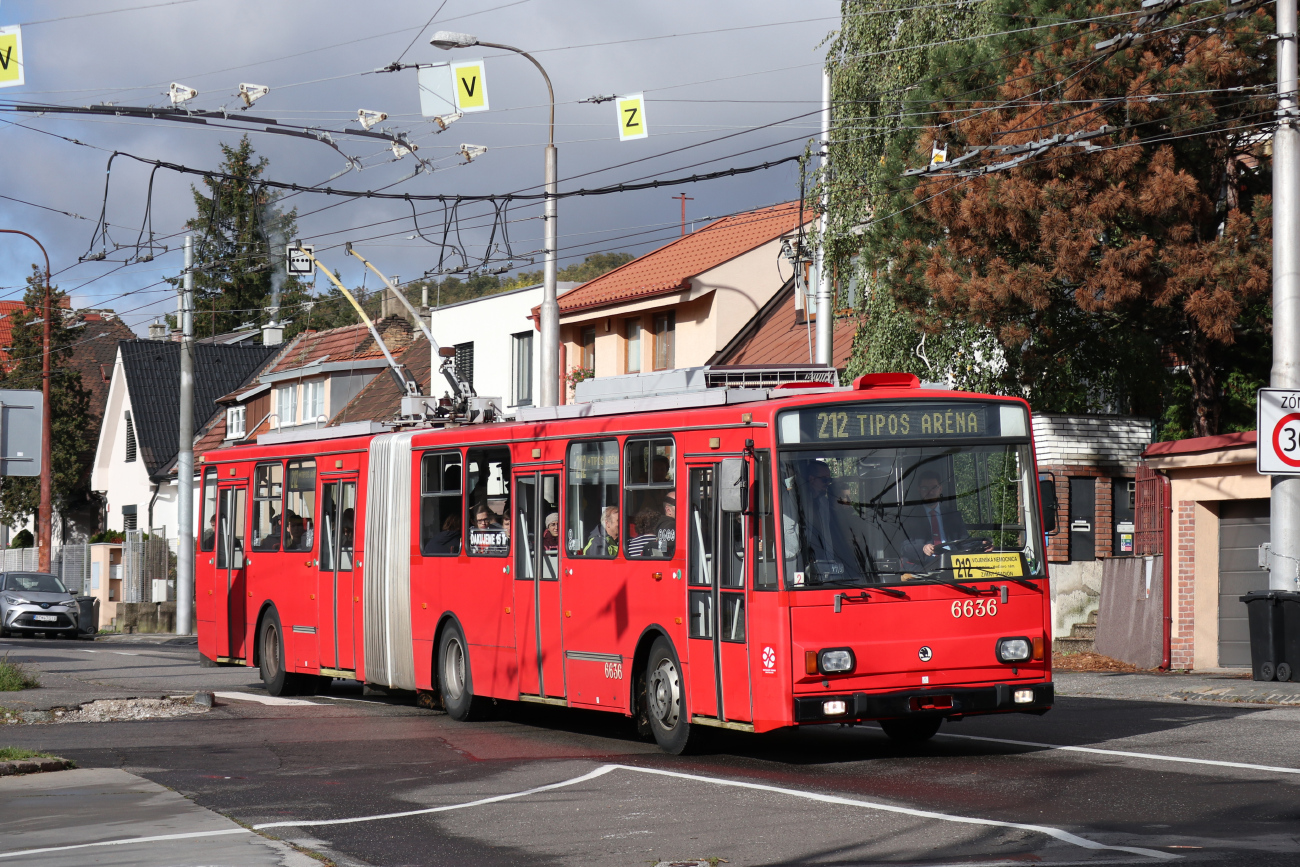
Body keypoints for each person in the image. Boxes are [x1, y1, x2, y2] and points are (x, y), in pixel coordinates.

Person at [901, 469, 987, 571]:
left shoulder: (953, 515)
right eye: (925, 488)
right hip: (922, 569)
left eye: (934, 487)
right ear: (919, 489)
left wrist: (981, 545)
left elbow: (964, 542)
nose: (930, 492)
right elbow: (904, 546)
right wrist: (923, 548)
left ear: (940, 489)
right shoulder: (909, 516)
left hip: (952, 566)